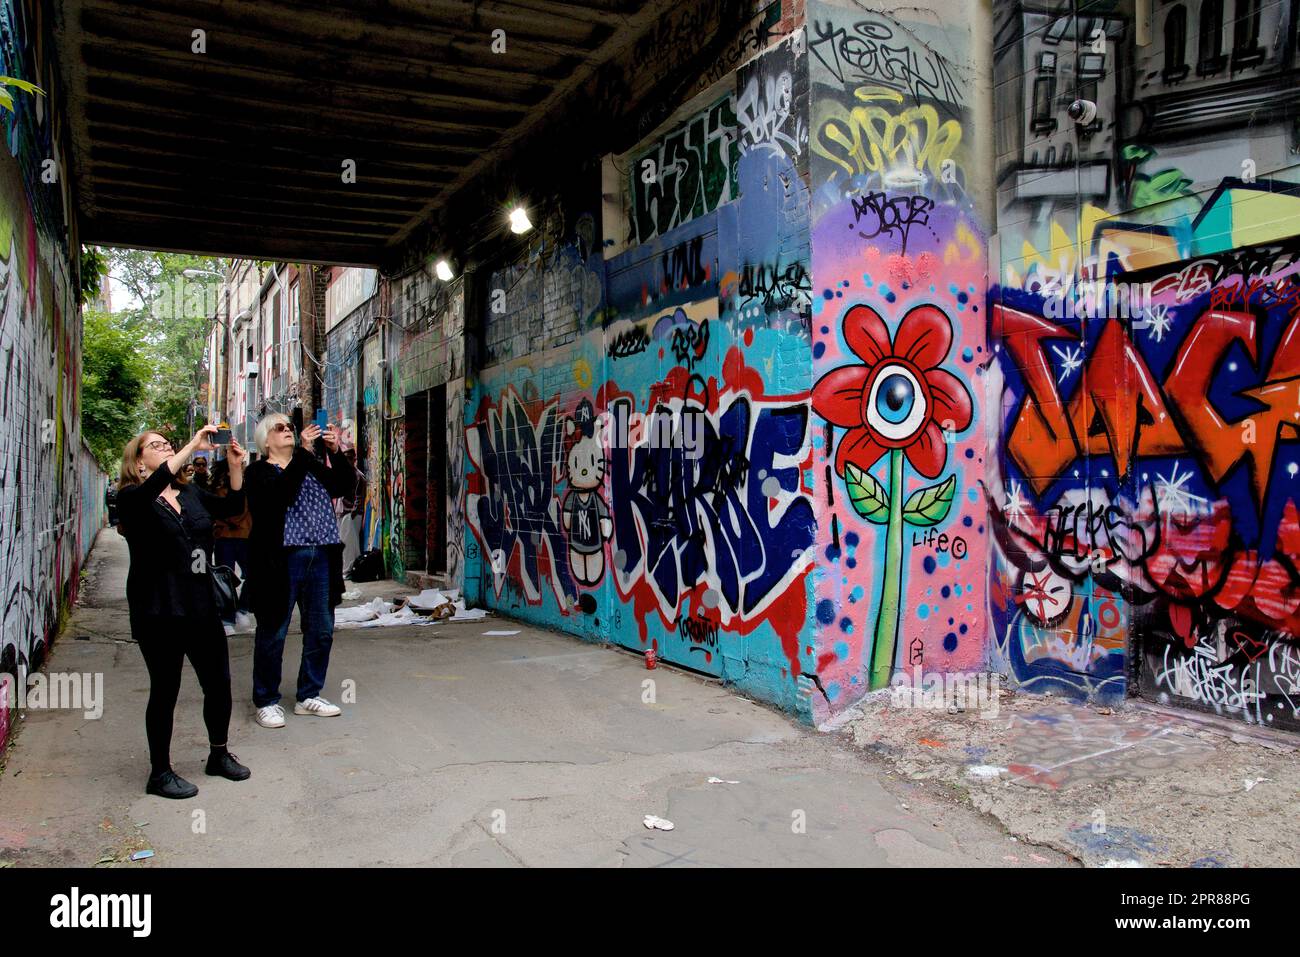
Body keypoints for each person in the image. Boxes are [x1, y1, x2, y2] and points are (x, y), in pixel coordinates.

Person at [115, 425, 252, 799]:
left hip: (199, 603)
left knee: (218, 682)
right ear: (139, 462)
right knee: (165, 690)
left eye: (167, 444)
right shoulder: (132, 499)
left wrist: (236, 468)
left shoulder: (189, 493)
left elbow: (231, 509)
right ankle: (160, 773)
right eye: (155, 446)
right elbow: (153, 486)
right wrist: (193, 444)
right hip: (158, 608)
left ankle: (218, 755)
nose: (165, 449)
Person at [244, 413, 358, 728]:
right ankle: (266, 700)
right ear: (266, 440)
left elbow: (345, 486)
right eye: (279, 428)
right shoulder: (257, 473)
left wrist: (335, 452)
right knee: (274, 630)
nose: (288, 431)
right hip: (280, 561)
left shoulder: (307, 464)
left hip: (321, 554)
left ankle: (309, 694)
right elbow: (281, 496)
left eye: (290, 428)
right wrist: (305, 455)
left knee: (321, 629)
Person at [210, 458, 255, 635]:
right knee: (225, 579)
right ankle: (227, 618)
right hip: (225, 538)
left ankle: (242, 608)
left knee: (253, 573)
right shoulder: (218, 491)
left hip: (245, 537)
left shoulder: (248, 490)